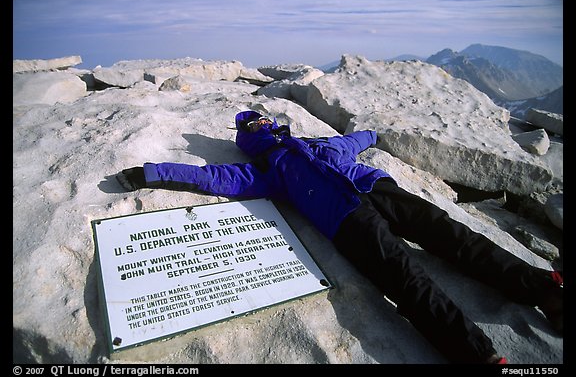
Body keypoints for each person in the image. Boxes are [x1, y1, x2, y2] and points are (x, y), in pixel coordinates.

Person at [116, 110, 563, 364]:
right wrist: (152, 171)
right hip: (347, 221)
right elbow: (212, 177)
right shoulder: (266, 171)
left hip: (377, 187)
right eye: (252, 124)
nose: (262, 122)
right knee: (406, 282)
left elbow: (356, 141)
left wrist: (374, 131)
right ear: (247, 139)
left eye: (262, 117)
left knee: (457, 238)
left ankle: (544, 289)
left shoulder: (314, 143)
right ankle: (479, 357)